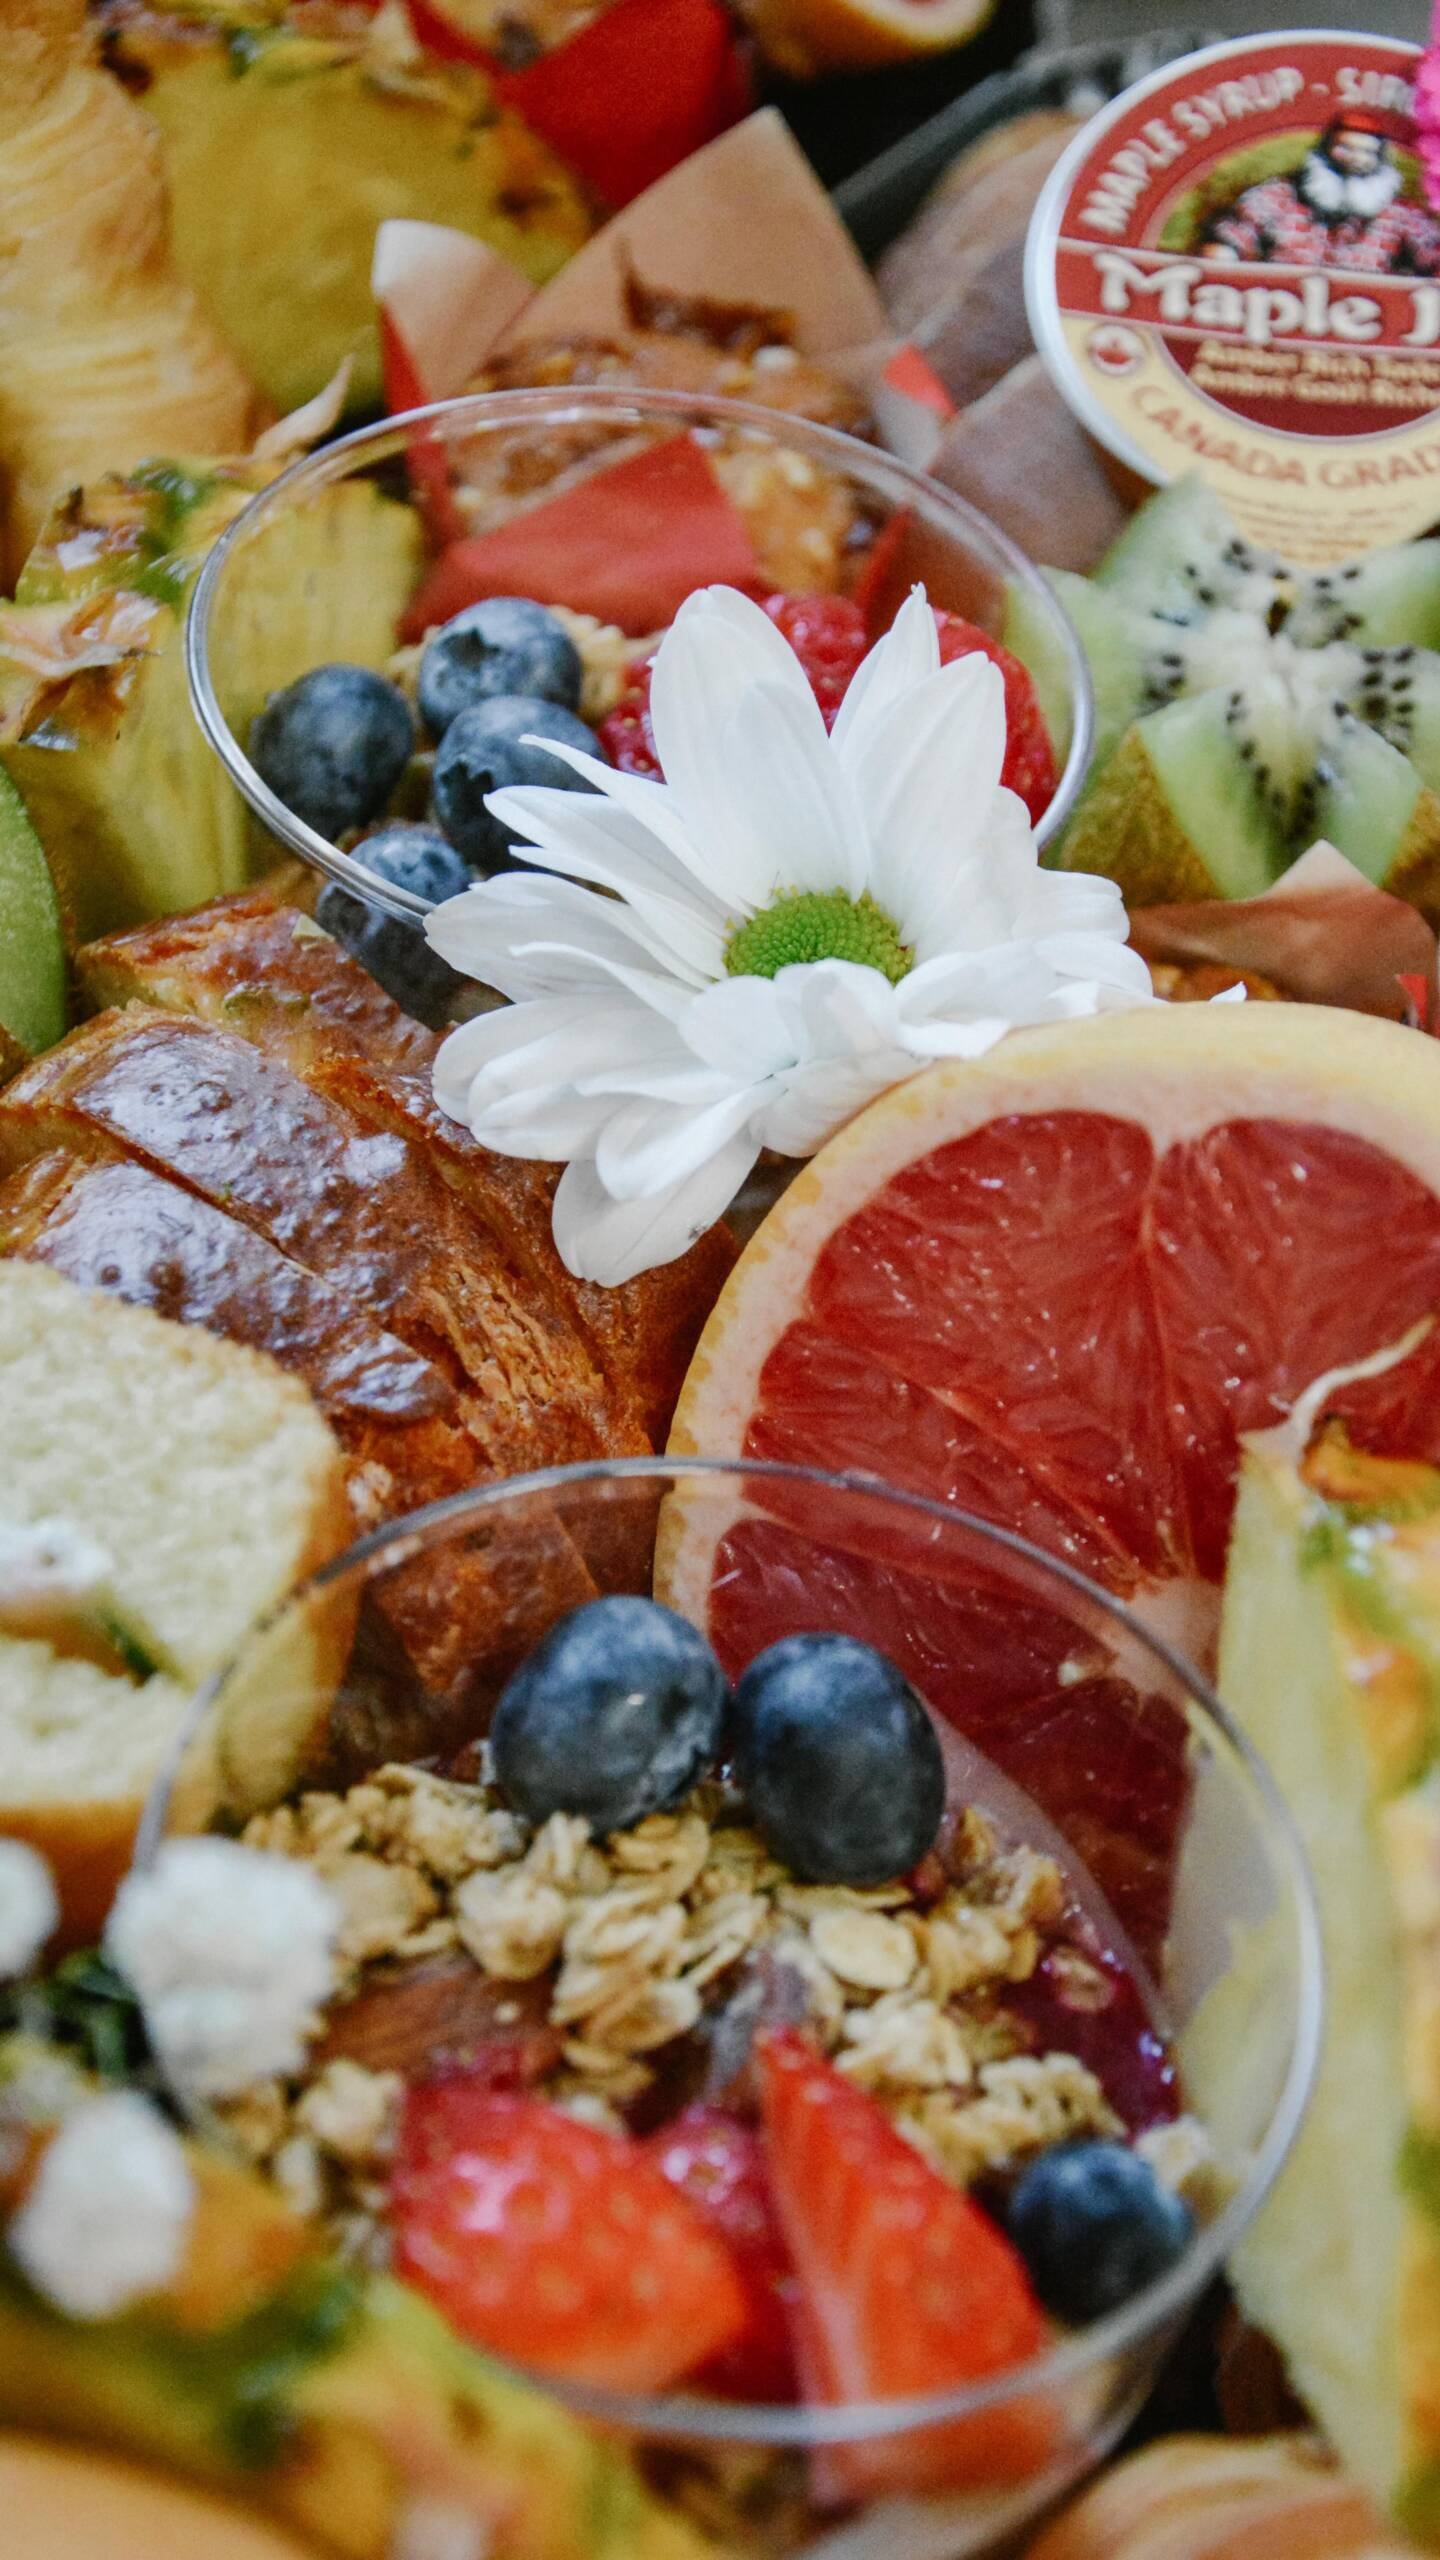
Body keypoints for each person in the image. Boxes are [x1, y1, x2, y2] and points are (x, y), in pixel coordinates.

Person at [1202, 111, 1440, 275]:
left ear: (1379, 159)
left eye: (1367, 152)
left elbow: (1432, 254)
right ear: (1326, 149)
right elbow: (1230, 239)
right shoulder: (1280, 195)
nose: (1356, 159)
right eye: (1345, 148)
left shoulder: (1400, 213)